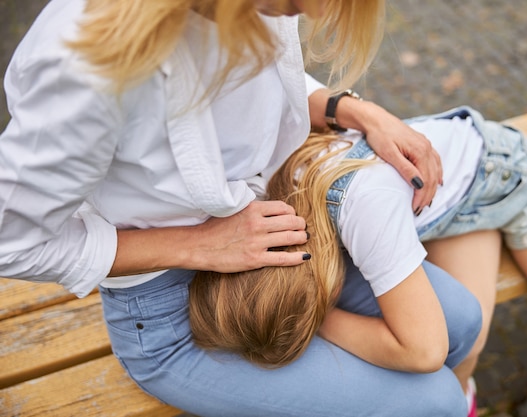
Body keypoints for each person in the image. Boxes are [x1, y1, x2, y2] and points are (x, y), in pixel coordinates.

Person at [0, 0, 480, 415]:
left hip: (273, 243)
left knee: (459, 321)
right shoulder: (79, 66)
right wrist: (200, 245)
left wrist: (351, 110)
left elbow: (247, 93)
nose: (315, 10)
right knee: (434, 402)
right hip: (170, 314)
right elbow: (10, 244)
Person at [190, 106, 527, 416]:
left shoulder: (366, 210)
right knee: (469, 340)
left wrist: (314, 323)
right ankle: (464, 388)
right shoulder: (269, 201)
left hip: (508, 180)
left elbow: (422, 350)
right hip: (439, 210)